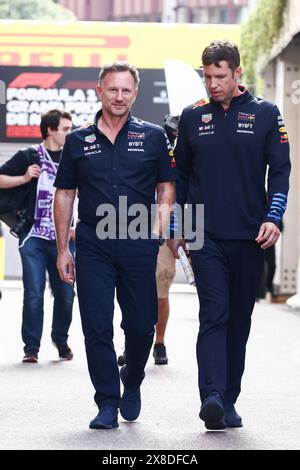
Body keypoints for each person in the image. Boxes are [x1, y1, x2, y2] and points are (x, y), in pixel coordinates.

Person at [167, 40, 291, 430]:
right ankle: (212, 396)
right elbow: (179, 177)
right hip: (205, 237)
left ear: (237, 73)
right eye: (207, 77)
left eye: (220, 76)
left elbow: (282, 172)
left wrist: (274, 217)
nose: (213, 84)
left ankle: (229, 398)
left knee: (239, 320)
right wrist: (177, 227)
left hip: (251, 237)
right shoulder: (191, 117)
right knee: (214, 314)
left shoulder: (267, 114)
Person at [53, 62, 175, 430]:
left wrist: (157, 229)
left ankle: (132, 380)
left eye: (126, 90)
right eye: (112, 89)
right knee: (96, 326)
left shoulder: (154, 138)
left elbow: (166, 187)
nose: (119, 96)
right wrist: (62, 249)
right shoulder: (78, 140)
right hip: (93, 244)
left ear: (134, 94)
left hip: (139, 242)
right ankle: (106, 401)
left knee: (141, 327)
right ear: (99, 91)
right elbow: (65, 194)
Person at [0, 109, 75, 364]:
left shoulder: (73, 156)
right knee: (34, 292)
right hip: (33, 236)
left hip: (65, 239)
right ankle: (31, 347)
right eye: (65, 128)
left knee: (66, 293)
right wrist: (23, 177)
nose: (70, 133)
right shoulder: (30, 155)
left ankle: (60, 338)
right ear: (50, 130)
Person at [117, 114, 179, 367]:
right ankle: (132, 340)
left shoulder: (185, 159)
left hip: (164, 231)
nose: (172, 137)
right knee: (131, 291)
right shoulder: (145, 148)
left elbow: (181, 198)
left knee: (159, 291)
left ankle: (159, 341)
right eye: (170, 132)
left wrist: (174, 231)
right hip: (132, 227)